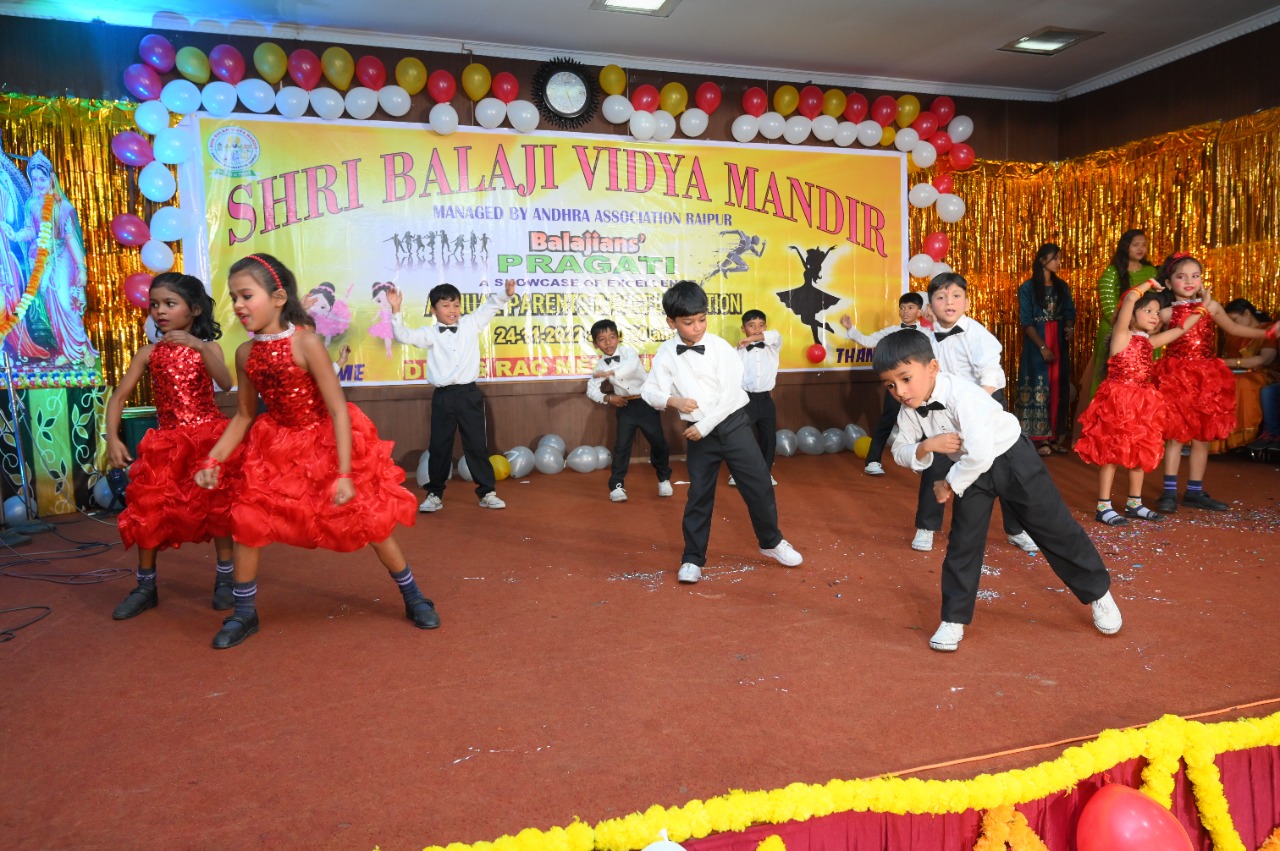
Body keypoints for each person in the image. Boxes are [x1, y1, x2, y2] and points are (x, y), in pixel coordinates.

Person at [194, 253, 429, 650]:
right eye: (233, 297)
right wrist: (213, 458)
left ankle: (414, 595)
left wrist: (343, 473)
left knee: (369, 521)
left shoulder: (307, 342)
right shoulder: (245, 355)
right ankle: (243, 613)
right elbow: (245, 416)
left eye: (246, 295)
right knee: (249, 521)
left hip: (326, 441)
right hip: (276, 447)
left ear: (279, 296)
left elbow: (338, 408)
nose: (237, 305)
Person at [875, 329, 1121, 652]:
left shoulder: (963, 396)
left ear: (932, 367)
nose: (900, 391)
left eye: (905, 379)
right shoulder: (910, 410)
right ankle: (953, 618)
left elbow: (980, 453)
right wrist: (927, 446)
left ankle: (1098, 593)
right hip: (969, 471)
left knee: (1054, 527)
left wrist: (949, 482)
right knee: (963, 543)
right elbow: (900, 452)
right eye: (891, 385)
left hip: (1010, 458)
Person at [641, 281, 802, 584]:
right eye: (688, 323)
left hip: (733, 425)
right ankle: (692, 558)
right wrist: (673, 400)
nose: (697, 327)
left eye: (702, 319)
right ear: (671, 322)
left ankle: (772, 542)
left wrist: (702, 425)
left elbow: (731, 397)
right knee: (699, 495)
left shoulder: (720, 348)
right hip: (698, 435)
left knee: (759, 487)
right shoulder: (666, 353)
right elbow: (649, 391)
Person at [105, 272, 238, 620]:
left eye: (169, 303)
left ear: (193, 310)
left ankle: (226, 578)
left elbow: (225, 383)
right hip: (166, 443)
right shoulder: (148, 353)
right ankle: (145, 587)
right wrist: (112, 437)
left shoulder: (209, 347)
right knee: (149, 512)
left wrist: (198, 347)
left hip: (208, 440)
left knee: (216, 508)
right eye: (154, 305)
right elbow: (119, 397)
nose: (159, 311)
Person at [915, 273, 1039, 556]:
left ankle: (1016, 530)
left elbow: (990, 375)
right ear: (931, 305)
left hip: (984, 401)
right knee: (936, 462)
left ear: (968, 303)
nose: (949, 302)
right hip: (945, 407)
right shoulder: (926, 336)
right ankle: (927, 526)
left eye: (956, 296)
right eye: (941, 297)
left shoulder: (978, 334)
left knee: (1004, 467)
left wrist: (973, 410)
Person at [1153, 253, 1274, 513]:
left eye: (1195, 276)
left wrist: (1267, 333)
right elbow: (1145, 336)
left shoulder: (1213, 306)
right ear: (1169, 281)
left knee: (1202, 437)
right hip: (1176, 377)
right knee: (1174, 437)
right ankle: (1169, 492)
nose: (1189, 281)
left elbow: (1235, 329)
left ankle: (1195, 491)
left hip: (1206, 377)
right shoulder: (1165, 312)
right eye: (1181, 276)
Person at [1074, 281, 1202, 526]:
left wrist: (1199, 311)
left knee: (1140, 452)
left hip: (1143, 403)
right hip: (1118, 403)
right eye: (1148, 311)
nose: (1155, 317)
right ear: (1131, 315)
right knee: (1111, 453)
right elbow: (1131, 299)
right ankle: (1104, 506)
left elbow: (1179, 331)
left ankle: (1134, 503)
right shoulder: (1121, 336)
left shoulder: (1147, 343)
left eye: (1156, 312)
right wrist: (1148, 285)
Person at [389, 278, 515, 512]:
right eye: (446, 305)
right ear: (433, 310)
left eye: (456, 304)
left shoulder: (470, 323)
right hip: (443, 397)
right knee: (439, 446)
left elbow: (490, 306)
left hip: (469, 394)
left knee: (477, 445)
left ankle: (487, 492)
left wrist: (505, 294)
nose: (452, 310)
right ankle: (434, 495)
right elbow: (402, 336)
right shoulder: (429, 333)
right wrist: (396, 310)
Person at [5, 151, 96, 365]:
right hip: (41, 258)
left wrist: (82, 269)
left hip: (62, 254)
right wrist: (15, 235)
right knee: (50, 304)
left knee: (65, 302)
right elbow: (30, 231)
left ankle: (81, 349)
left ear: (51, 179)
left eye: (42, 179)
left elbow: (71, 238)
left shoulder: (64, 207)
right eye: (34, 179)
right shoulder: (31, 205)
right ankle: (66, 350)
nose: (38, 183)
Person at [836, 291, 930, 476]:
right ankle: (872, 461)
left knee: (927, 423)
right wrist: (851, 329)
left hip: (921, 386)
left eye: (910, 308)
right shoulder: (891, 331)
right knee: (886, 421)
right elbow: (868, 341)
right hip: (897, 385)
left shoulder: (928, 334)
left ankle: (924, 462)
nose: (905, 312)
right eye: (902, 308)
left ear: (919, 311)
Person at [586, 318, 673, 502]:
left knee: (658, 443)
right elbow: (591, 389)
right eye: (602, 339)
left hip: (645, 402)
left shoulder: (628, 353)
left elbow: (631, 366)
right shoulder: (601, 365)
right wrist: (608, 398)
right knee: (621, 447)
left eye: (612, 337)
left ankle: (664, 479)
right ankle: (617, 486)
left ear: (618, 337)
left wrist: (610, 373)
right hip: (625, 406)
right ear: (595, 344)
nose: (608, 342)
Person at [1016, 243, 1076, 455]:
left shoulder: (1062, 287)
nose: (1059, 262)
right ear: (1042, 260)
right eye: (1055, 258)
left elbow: (1069, 311)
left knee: (1057, 387)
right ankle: (1040, 438)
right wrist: (1042, 346)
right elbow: (1026, 321)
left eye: (1060, 258)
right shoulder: (1028, 288)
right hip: (1038, 343)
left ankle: (1053, 437)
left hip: (1059, 341)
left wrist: (1068, 328)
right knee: (1040, 386)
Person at [1090, 230, 1158, 395]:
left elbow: (1156, 304)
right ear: (1125, 247)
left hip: (1146, 330)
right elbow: (1109, 310)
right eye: (1135, 245)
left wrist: (1148, 325)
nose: (1140, 248)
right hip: (1117, 331)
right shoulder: (1111, 273)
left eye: (1143, 244)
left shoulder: (1152, 272)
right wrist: (1131, 328)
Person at [1219, 298, 1278, 450]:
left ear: (1247, 313)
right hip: (1239, 373)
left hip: (1266, 374)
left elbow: (1264, 360)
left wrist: (1227, 363)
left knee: (1242, 383)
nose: (1231, 326)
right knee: (1218, 381)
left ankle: (1245, 436)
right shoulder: (1234, 336)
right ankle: (1222, 436)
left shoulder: (1268, 329)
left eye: (1234, 320)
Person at [731, 308, 781, 487]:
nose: (757, 329)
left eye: (761, 325)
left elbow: (774, 335)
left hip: (766, 400)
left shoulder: (773, 347)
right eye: (751, 326)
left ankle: (766, 472)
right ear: (743, 328)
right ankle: (736, 473)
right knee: (741, 439)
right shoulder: (735, 352)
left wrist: (752, 339)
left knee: (768, 438)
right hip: (744, 400)